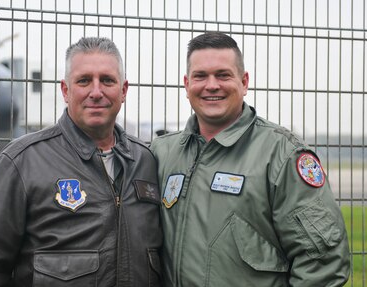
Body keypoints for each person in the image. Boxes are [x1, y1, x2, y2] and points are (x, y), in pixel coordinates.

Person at [150, 32, 350, 286]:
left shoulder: (282, 155)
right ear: (187, 84)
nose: (212, 85)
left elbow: (323, 263)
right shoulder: (163, 153)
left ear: (244, 82)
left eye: (223, 75)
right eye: (201, 76)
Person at [0, 37, 162, 286]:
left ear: (123, 91)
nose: (96, 92)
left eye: (108, 80)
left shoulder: (146, 161)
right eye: (84, 81)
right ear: (65, 90)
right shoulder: (22, 163)